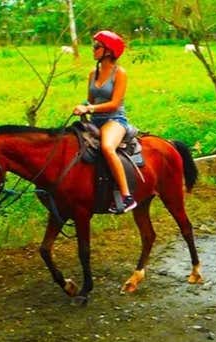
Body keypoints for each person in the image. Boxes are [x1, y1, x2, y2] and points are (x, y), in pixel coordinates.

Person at [73, 30, 137, 213]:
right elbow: (91, 101)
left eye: (96, 46)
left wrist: (89, 108)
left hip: (114, 119)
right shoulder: (93, 72)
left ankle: (126, 196)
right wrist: (82, 106)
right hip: (95, 120)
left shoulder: (120, 73)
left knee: (107, 147)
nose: (93, 49)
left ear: (108, 51)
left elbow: (115, 103)